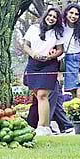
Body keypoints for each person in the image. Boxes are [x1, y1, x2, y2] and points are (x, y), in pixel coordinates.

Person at [20, 8, 64, 137]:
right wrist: (33, 54)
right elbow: (26, 45)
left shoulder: (57, 32)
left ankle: (43, 126)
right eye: (49, 15)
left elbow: (60, 50)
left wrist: (51, 56)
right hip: (33, 64)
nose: (51, 18)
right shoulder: (34, 28)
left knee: (42, 95)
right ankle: (44, 126)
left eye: (54, 17)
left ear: (57, 20)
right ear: (45, 16)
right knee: (36, 95)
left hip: (49, 64)